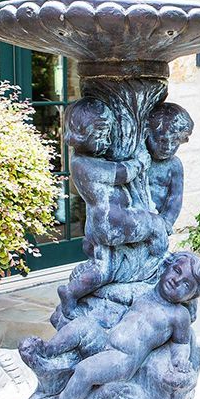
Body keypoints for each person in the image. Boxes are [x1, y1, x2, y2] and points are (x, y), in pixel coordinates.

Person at [30, 251, 200, 399]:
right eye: (176, 271)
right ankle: (49, 350)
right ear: (165, 267)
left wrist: (180, 359)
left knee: (85, 371)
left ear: (191, 296)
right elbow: (116, 297)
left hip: (123, 359)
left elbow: (181, 343)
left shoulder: (179, 315)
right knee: (81, 324)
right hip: (106, 339)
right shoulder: (146, 291)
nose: (177, 280)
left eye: (186, 284)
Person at [57, 97, 168, 316]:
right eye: (100, 135)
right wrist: (140, 162)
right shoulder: (82, 164)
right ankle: (157, 265)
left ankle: (71, 293)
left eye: (108, 134)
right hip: (114, 219)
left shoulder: (83, 157)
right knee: (156, 225)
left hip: (105, 221)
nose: (107, 141)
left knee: (104, 269)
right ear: (80, 133)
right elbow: (120, 174)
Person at [146, 102, 193, 231]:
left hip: (160, 222)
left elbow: (175, 198)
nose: (168, 147)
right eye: (162, 140)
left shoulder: (174, 165)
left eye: (175, 141)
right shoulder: (141, 159)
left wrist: (166, 222)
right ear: (147, 133)